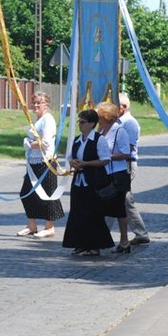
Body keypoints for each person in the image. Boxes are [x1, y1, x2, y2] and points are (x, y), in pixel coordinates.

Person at [62, 109, 114, 256]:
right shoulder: (77, 140)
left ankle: (94, 245)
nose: (80, 124)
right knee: (77, 211)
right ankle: (79, 243)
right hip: (79, 181)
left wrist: (86, 164)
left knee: (93, 212)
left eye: (83, 122)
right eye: (79, 121)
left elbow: (104, 160)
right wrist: (73, 162)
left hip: (93, 180)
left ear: (92, 124)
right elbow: (71, 157)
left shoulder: (99, 139)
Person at [16, 91, 64, 238]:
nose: (36, 105)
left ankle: (49, 227)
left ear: (46, 105)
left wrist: (29, 144)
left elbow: (45, 143)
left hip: (46, 162)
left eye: (39, 103)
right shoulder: (37, 119)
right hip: (33, 163)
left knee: (48, 194)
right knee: (26, 193)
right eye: (34, 102)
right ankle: (31, 225)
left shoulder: (48, 119)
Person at [96, 102, 132, 253]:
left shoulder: (119, 131)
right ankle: (99, 240)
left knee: (118, 209)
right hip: (103, 173)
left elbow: (125, 153)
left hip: (117, 175)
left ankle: (124, 241)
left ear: (105, 117)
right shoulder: (101, 131)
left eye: (99, 116)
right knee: (100, 209)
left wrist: (107, 157)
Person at [117, 92, 150, 245]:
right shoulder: (119, 121)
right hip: (121, 163)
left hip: (127, 163)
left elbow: (128, 147)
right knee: (120, 199)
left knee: (125, 199)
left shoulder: (129, 123)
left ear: (123, 107)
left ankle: (141, 232)